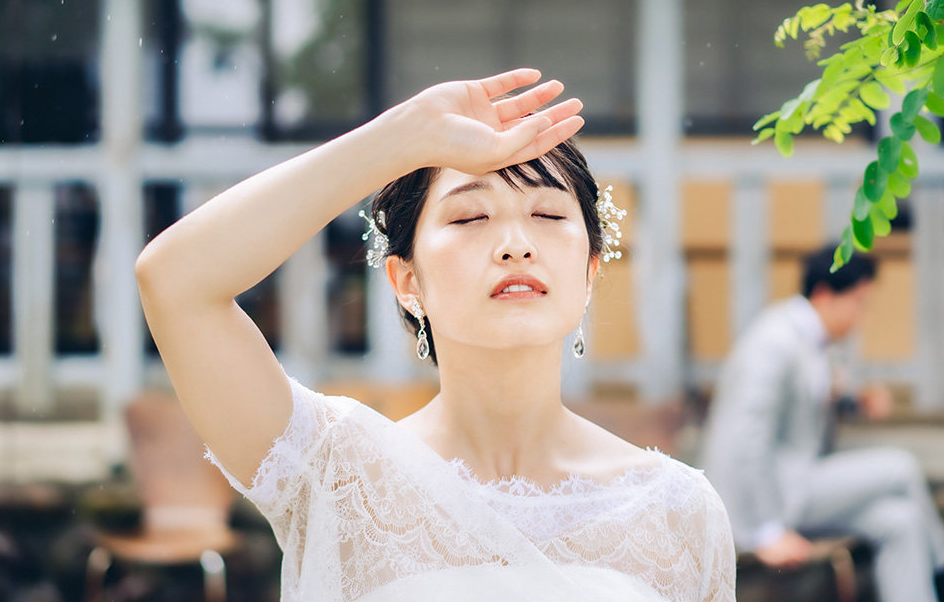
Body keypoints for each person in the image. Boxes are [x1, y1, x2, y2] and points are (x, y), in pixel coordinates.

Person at [135, 69, 735, 602]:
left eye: (549, 215)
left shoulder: (677, 511)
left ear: (589, 272)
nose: (515, 243)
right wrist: (401, 137)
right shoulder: (336, 475)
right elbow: (175, 281)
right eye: (471, 217)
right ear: (406, 280)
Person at [700, 246, 944, 602]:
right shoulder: (773, 343)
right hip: (776, 497)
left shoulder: (809, 340)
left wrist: (852, 402)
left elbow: (803, 399)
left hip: (798, 483)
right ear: (824, 295)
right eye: (858, 303)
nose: (861, 317)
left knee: (900, 520)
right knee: (901, 467)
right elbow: (743, 439)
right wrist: (765, 532)